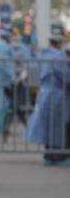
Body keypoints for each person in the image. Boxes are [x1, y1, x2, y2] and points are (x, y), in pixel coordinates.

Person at [26, 33, 70, 166]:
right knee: (57, 129)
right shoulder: (58, 57)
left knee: (49, 128)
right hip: (57, 96)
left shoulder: (43, 54)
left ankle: (50, 157)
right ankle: (59, 157)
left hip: (46, 94)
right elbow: (67, 77)